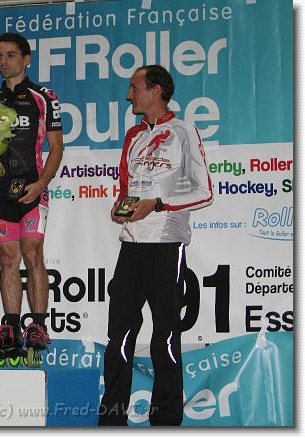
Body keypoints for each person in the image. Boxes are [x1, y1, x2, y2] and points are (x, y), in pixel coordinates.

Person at [99, 65, 213, 426]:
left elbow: (204, 191)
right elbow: (126, 187)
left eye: (135, 88)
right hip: (130, 245)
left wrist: (158, 204)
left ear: (156, 90)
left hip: (166, 244)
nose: (129, 95)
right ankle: (112, 420)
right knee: (119, 335)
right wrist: (121, 207)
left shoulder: (184, 131)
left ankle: (165, 421)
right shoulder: (133, 135)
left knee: (165, 335)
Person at [0, 32, 63, 362]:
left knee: (32, 252)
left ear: (26, 59)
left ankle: (37, 325)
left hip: (32, 188)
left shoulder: (44, 97)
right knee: (7, 259)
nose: (3, 61)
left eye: (10, 55)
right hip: (0, 192)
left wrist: (41, 184)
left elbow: (56, 147)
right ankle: (10, 326)